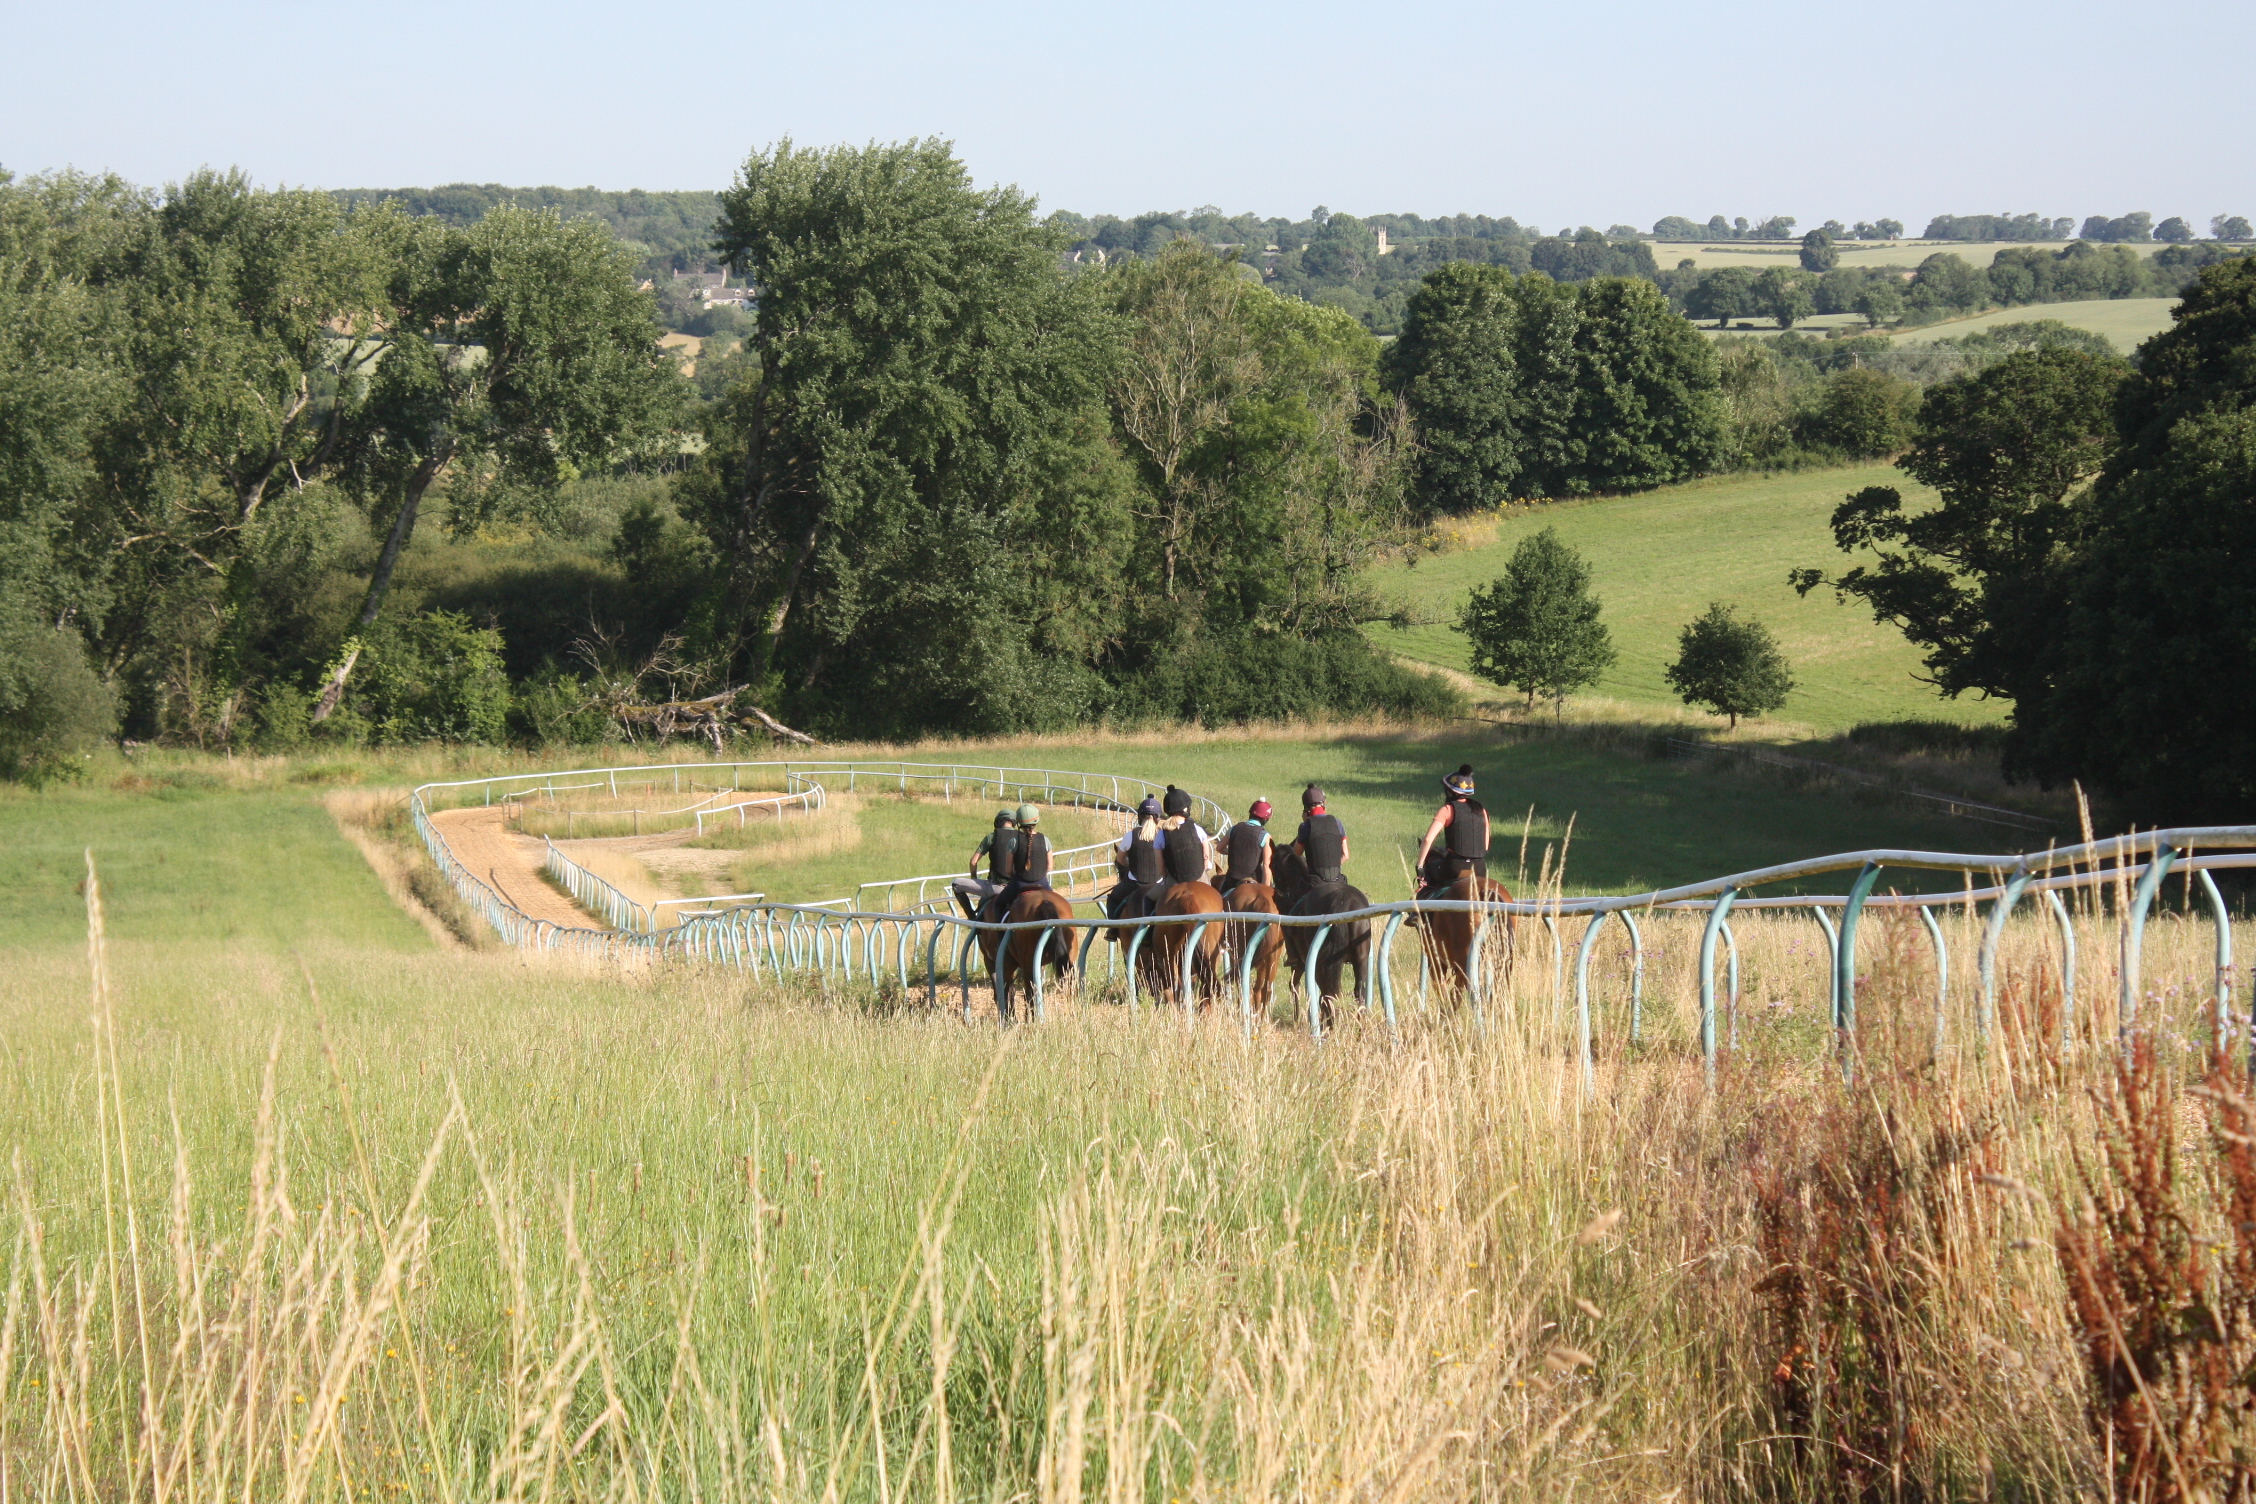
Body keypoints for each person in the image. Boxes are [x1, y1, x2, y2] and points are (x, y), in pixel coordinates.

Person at [1415, 764, 1490, 897]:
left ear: (1450, 792)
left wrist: (1420, 866)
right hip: (1480, 868)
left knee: (1430, 869)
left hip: (1455, 868)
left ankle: (1418, 914)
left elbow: (1427, 839)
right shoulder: (1481, 810)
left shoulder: (1448, 809)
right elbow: (1485, 845)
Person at [1106, 797, 1169, 922]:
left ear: (1140, 816)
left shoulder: (1130, 836)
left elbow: (1120, 860)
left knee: (1113, 898)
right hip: (1159, 883)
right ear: (1158, 818)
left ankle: (1112, 929)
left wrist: (1132, 866)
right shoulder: (1164, 835)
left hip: (1134, 883)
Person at [952, 809, 1020, 920]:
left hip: (996, 888)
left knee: (956, 884)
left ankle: (971, 917)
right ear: (1014, 823)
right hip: (1016, 887)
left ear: (999, 821)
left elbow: (973, 861)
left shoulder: (992, 837)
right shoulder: (1021, 837)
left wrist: (974, 877)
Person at [989, 803, 1053, 919]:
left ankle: (1001, 934)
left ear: (1018, 822)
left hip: (1019, 883)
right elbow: (1049, 867)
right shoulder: (1045, 840)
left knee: (998, 904)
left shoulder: (1014, 841)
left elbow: (1008, 870)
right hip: (1042, 882)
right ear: (1036, 821)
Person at [1291, 784, 1350, 889]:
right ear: (1324, 804)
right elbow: (1345, 855)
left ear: (1306, 808)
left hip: (1315, 882)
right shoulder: (1337, 823)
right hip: (1338, 880)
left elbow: (1296, 853)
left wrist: (1304, 825)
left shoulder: (1306, 826)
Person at [1218, 798, 1275, 898]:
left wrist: (1233, 851)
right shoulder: (1265, 836)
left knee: (1219, 900)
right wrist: (1265, 890)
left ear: (1250, 813)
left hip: (1232, 880)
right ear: (1266, 819)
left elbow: (1219, 848)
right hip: (1254, 879)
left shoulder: (1234, 829)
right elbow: (1266, 865)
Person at [1158, 784, 1212, 885]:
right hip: (1200, 879)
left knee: (1147, 897)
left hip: (1174, 881)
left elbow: (1160, 867)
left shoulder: (1161, 835)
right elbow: (1206, 860)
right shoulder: (1198, 830)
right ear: (1186, 809)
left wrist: (1165, 878)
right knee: (1217, 898)